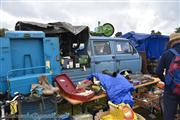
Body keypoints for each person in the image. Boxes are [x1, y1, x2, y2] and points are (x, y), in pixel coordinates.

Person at [156, 33, 180, 120]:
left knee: (169, 114)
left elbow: (158, 71)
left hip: (171, 89)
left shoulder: (167, 54)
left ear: (171, 43)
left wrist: (166, 81)